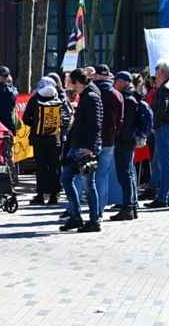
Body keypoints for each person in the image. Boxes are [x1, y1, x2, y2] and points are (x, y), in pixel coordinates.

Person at [60, 68, 103, 233]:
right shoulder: (87, 95)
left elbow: (96, 125)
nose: (68, 85)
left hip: (86, 147)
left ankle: (94, 220)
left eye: (70, 82)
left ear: (75, 82)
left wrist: (90, 148)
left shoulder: (91, 97)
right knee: (66, 178)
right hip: (78, 145)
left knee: (88, 185)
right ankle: (76, 216)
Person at [22, 75, 68, 205]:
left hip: (38, 138)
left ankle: (40, 195)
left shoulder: (35, 99)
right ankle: (54, 195)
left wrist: (36, 125)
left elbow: (26, 119)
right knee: (55, 166)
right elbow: (65, 118)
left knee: (41, 166)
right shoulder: (58, 98)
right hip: (55, 138)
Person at [145, 60, 169, 210]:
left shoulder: (165, 88)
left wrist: (155, 125)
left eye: (156, 69)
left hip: (165, 127)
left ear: (161, 71)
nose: (155, 71)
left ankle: (163, 197)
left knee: (165, 164)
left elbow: (162, 107)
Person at [90, 64, 123, 215]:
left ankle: (82, 207)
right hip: (109, 139)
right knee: (103, 175)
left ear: (95, 75)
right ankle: (99, 209)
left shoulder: (89, 91)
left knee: (87, 176)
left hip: (91, 139)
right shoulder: (117, 94)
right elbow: (120, 120)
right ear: (109, 76)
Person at [109, 71, 140, 221]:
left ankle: (127, 207)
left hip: (125, 140)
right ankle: (132, 206)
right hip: (130, 139)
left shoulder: (127, 98)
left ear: (122, 82)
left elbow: (125, 122)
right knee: (128, 174)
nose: (114, 84)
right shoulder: (134, 96)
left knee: (125, 174)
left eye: (116, 81)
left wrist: (118, 136)